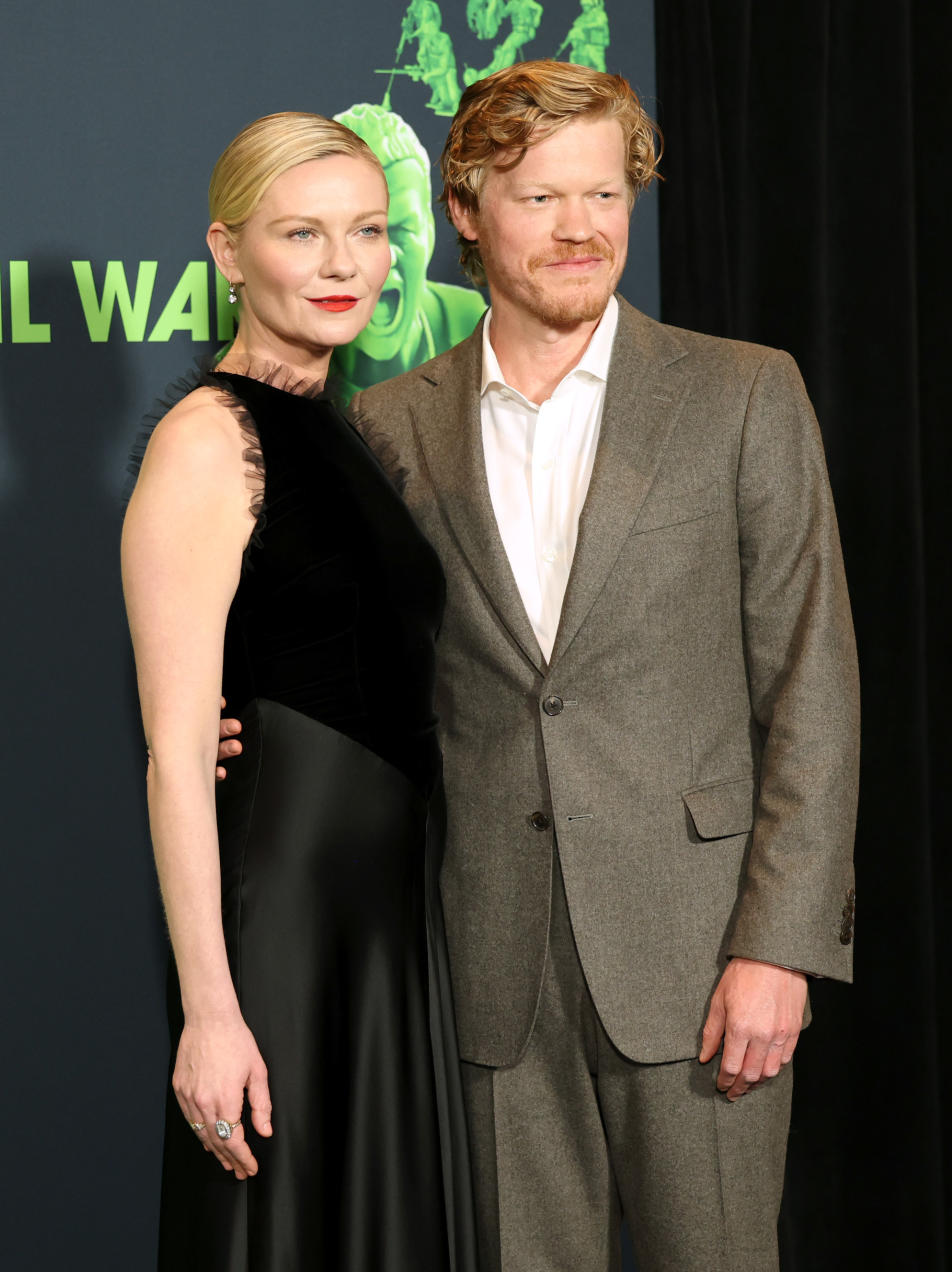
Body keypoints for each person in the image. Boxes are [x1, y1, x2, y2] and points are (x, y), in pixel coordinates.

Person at [219, 61, 859, 1272]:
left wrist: (779, 946)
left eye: (606, 196)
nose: (582, 231)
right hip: (484, 962)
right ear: (464, 210)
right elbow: (345, 659)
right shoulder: (391, 423)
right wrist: (223, 721)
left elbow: (812, 685)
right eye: (540, 200)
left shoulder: (743, 392)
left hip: (701, 958)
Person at [122, 111, 477, 1271]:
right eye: (303, 233)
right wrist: (210, 1013)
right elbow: (177, 756)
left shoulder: (345, 432)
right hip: (282, 928)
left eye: (368, 231)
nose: (343, 265)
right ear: (230, 253)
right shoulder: (208, 439)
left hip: (384, 928)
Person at [330, 103, 485, 401]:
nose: (384, 258)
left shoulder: (466, 320)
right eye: (363, 232)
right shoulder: (280, 364)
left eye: (402, 229)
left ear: (430, 228)